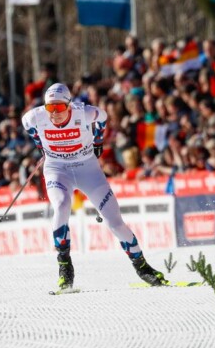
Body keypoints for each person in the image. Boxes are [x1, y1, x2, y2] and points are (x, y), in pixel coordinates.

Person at [21, 83, 167, 290]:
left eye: (60, 108)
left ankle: (143, 267)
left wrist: (98, 142)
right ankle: (65, 267)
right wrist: (40, 145)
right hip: (57, 169)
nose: (54, 113)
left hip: (87, 169)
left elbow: (104, 116)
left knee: (114, 222)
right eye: (50, 108)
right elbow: (26, 123)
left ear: (69, 105)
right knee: (62, 205)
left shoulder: (84, 112)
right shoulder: (35, 117)